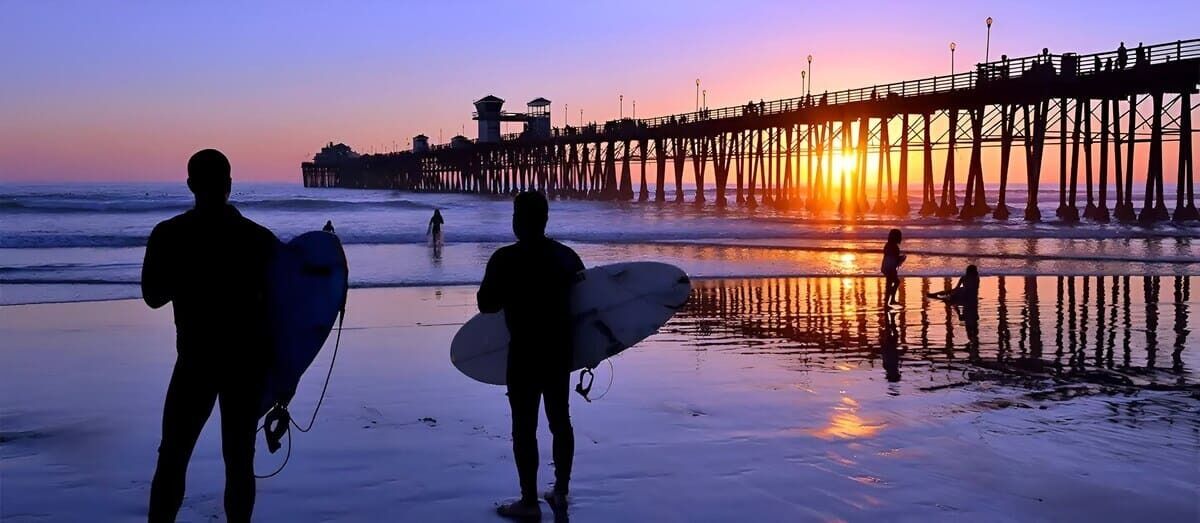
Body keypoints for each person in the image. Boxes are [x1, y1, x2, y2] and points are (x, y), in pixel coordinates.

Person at [144, 149, 279, 522]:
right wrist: (285, 379)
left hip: (194, 362)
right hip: (244, 366)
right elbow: (283, 313)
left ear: (190, 185)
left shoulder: (169, 235)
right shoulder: (260, 240)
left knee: (172, 457)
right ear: (230, 185)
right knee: (239, 462)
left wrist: (189, 274)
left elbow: (152, 296)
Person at [478, 191, 585, 519]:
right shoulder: (566, 257)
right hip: (558, 351)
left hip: (524, 353)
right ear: (545, 219)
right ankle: (561, 492)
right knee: (560, 421)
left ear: (516, 221)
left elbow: (487, 305)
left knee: (524, 428)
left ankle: (528, 501)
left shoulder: (504, 259)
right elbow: (587, 308)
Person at [881, 229, 906, 308]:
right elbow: (894, 259)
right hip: (890, 268)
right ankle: (889, 301)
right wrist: (901, 258)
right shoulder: (894, 247)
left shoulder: (888, 245)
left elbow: (889, 257)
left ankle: (889, 301)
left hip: (886, 266)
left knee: (891, 284)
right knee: (894, 283)